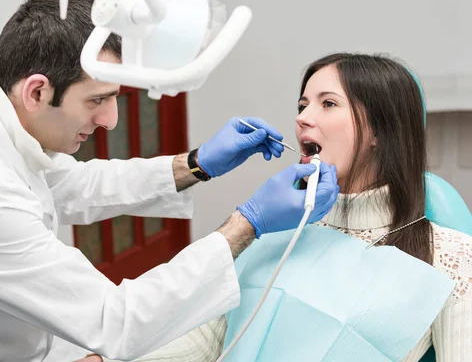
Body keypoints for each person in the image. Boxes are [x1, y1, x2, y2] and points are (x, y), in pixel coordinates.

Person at [0, 0, 339, 362]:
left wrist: (194, 164)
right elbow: (116, 321)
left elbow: (69, 185)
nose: (111, 120)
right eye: (97, 100)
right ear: (38, 90)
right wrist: (248, 223)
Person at [100, 53, 472, 362]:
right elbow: (206, 341)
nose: (302, 118)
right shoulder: (275, 231)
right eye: (302, 104)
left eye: (327, 104)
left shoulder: (450, 257)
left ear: (378, 131)